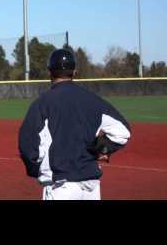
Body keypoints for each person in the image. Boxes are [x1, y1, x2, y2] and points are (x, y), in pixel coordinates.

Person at [18, 48, 131, 200]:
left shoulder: (42, 103)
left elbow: (28, 147)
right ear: (75, 72)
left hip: (61, 186)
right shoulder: (93, 100)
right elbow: (123, 131)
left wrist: (37, 170)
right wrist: (101, 149)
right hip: (91, 186)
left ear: (50, 71)